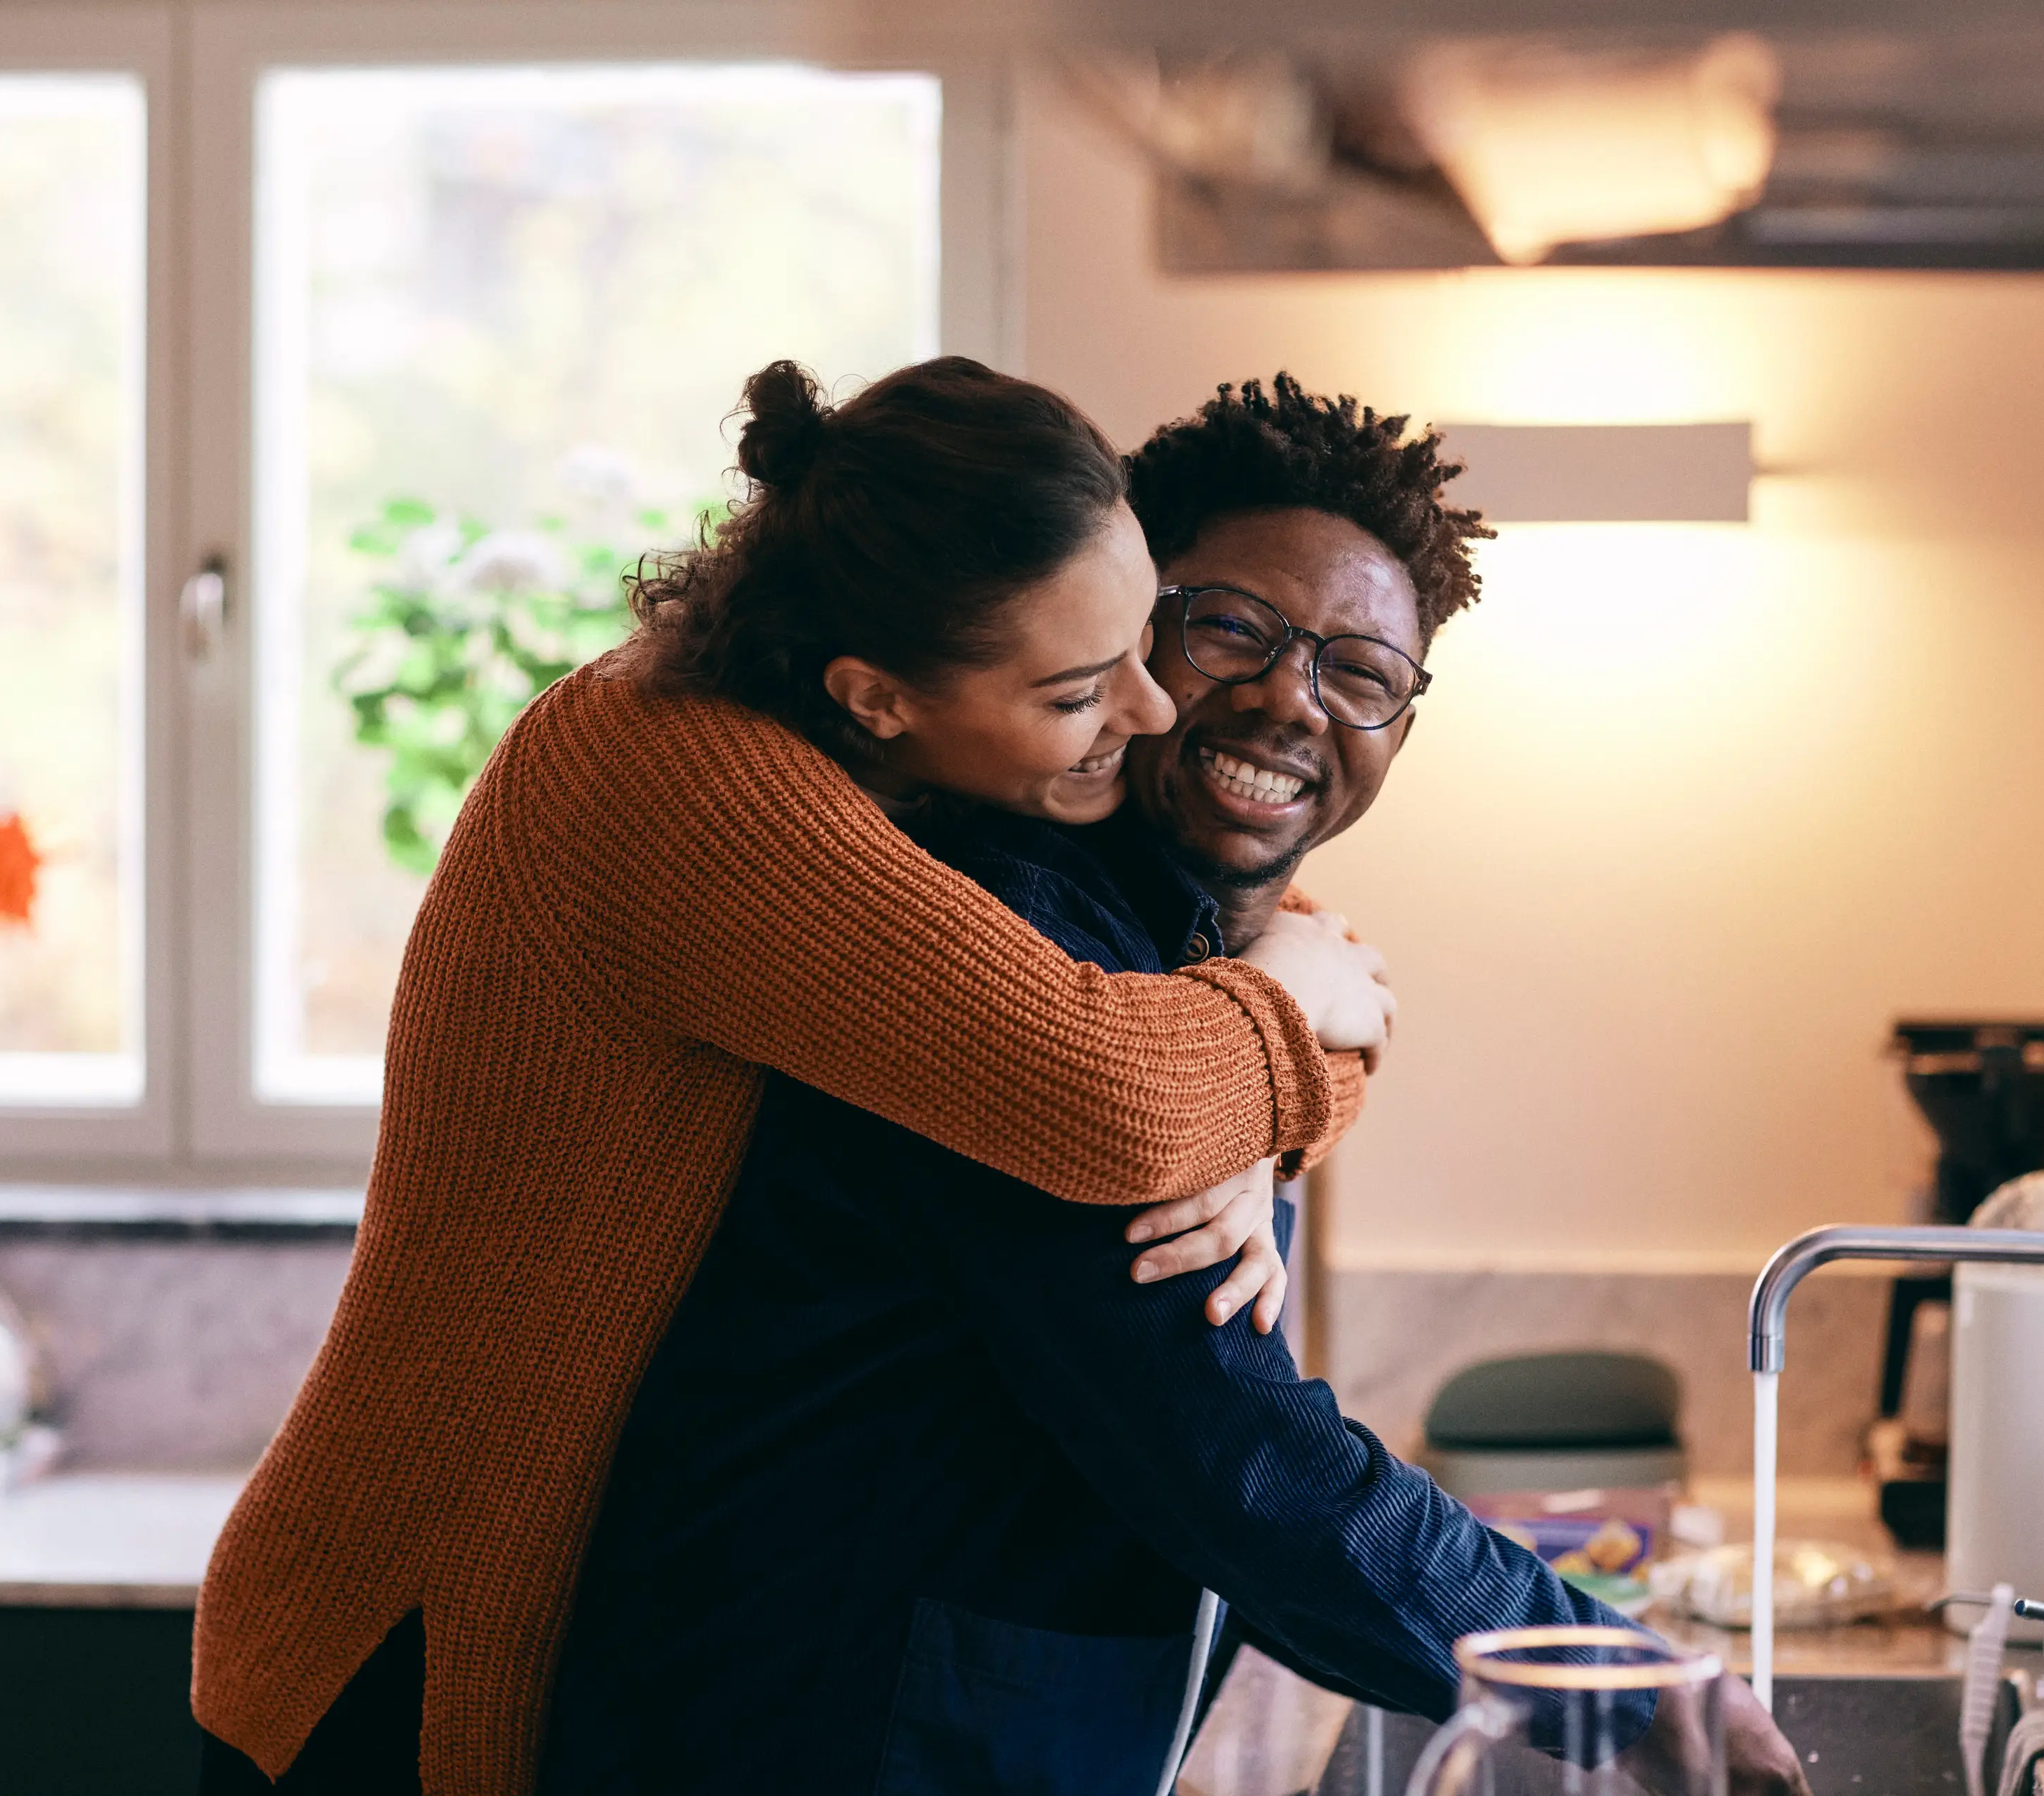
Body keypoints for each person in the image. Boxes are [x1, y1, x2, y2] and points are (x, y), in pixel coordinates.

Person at [535, 375, 1808, 1795]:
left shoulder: (1183, 940)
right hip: (828, 1734)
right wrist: (1616, 1677)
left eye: (1362, 672)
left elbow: (1281, 1039)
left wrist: (1285, 1034)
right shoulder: (993, 935)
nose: (1291, 699)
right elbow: (1233, 1451)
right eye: (1231, 629)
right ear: (1129, 615)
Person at [191, 358, 1395, 1796]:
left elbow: (1155, 1022)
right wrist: (1285, 1032)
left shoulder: (863, 754)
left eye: (1146, 641)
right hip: (402, 1633)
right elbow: (1104, 1087)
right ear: (876, 694)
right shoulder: (681, 778)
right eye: (1081, 687)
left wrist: (1269, 1091)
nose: (1145, 711)